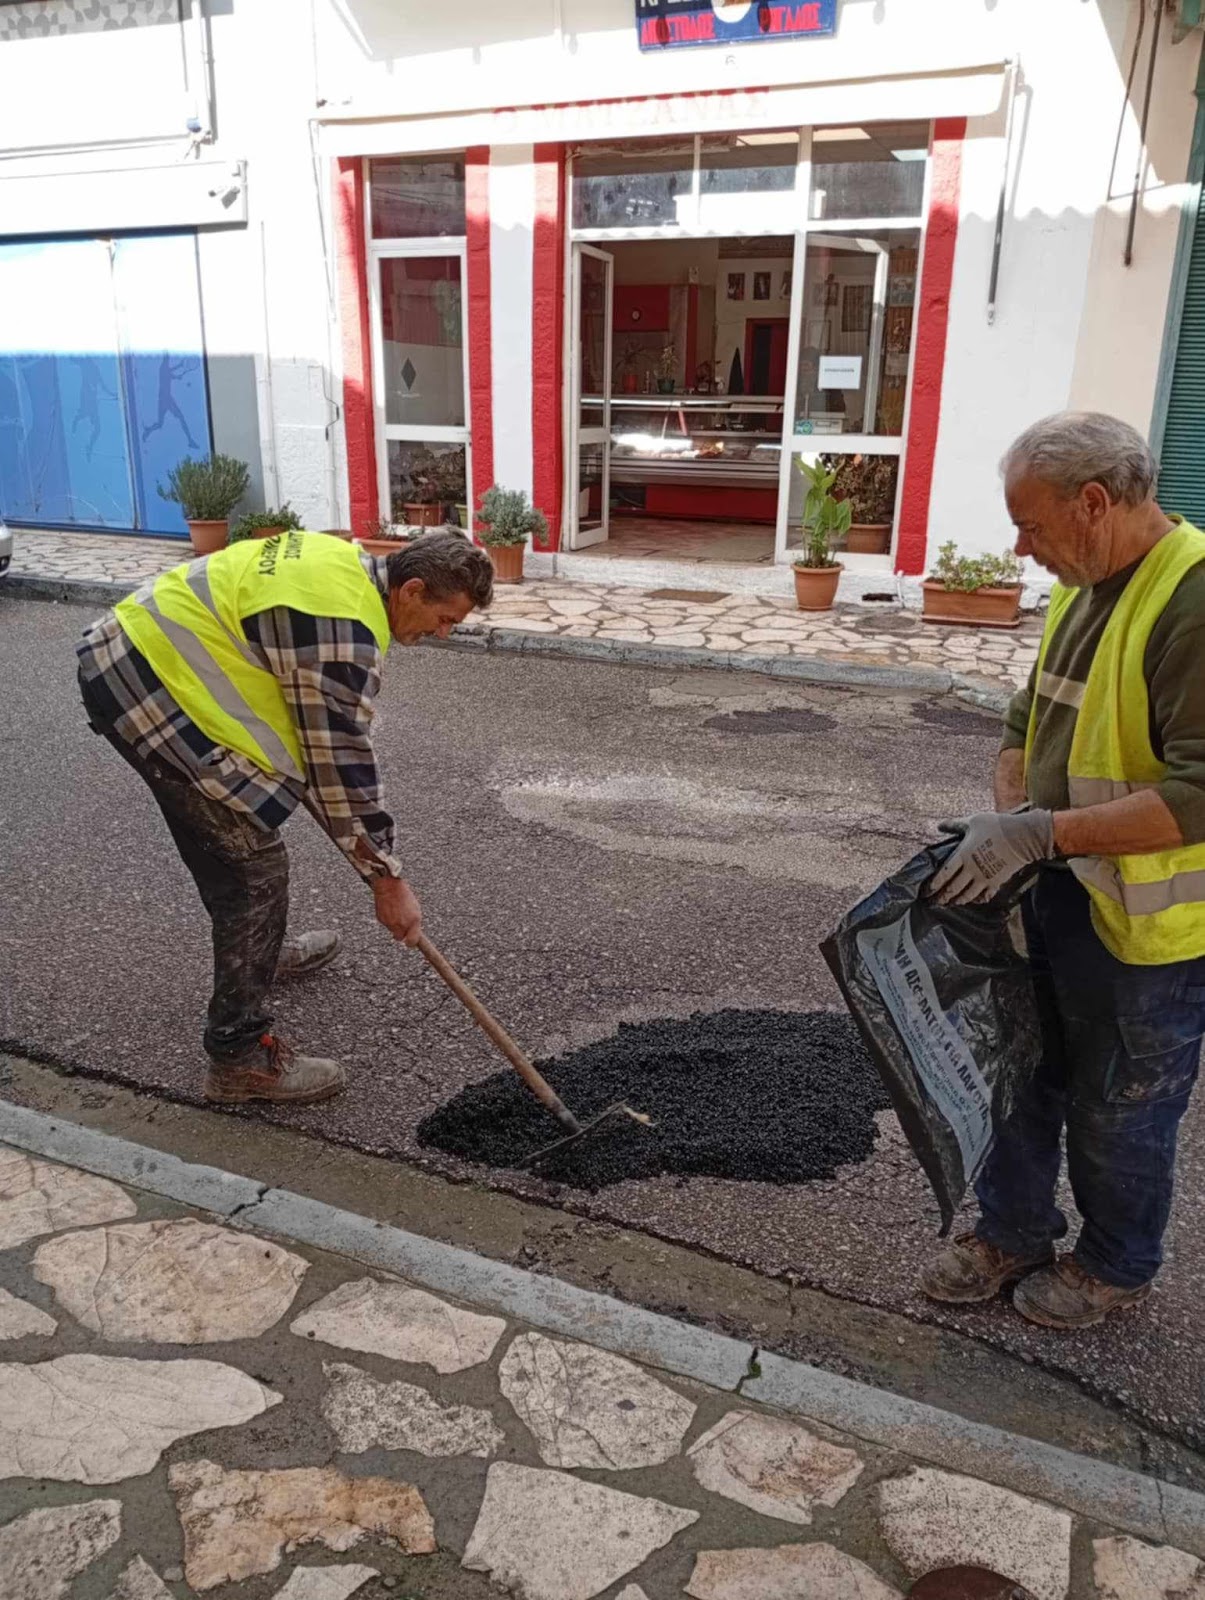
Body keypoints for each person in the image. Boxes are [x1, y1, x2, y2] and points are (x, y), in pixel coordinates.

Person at [921, 411, 1205, 1329]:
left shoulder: (1190, 603)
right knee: (1019, 1070)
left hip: (1146, 927)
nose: (1018, 546)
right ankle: (1013, 1229)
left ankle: (1115, 1265)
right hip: (1057, 893)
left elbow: (1202, 791)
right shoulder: (1085, 587)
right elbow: (1024, 722)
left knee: (1122, 1102)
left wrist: (1042, 837)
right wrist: (1012, 822)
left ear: (1093, 502)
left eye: (1031, 524)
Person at [77, 528, 494, 1107]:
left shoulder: (345, 565)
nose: (443, 634)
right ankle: (239, 1059)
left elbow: (310, 733)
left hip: (128, 655)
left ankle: (259, 955)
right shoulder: (342, 633)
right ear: (413, 588)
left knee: (234, 836)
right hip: (143, 684)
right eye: (445, 618)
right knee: (254, 870)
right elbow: (339, 764)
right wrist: (387, 879)